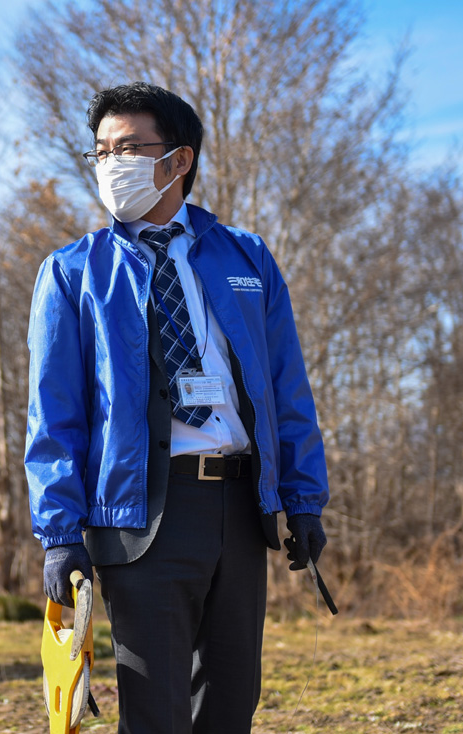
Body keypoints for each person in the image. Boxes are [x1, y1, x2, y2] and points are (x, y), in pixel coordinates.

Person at [24, 81, 329, 734]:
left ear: (179, 159)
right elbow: (54, 419)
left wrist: (302, 499)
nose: (113, 163)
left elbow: (287, 390)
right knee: (156, 714)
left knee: (229, 706)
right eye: (102, 151)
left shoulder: (245, 257)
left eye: (130, 147)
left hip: (242, 510)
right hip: (141, 515)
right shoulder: (74, 272)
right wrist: (58, 534)